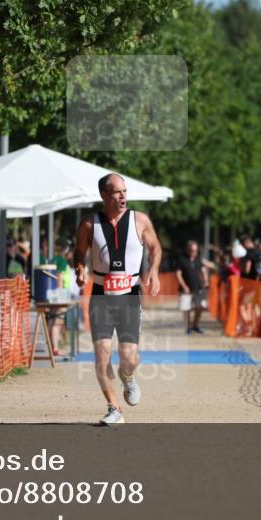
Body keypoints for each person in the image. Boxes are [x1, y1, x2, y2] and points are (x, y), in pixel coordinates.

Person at [74, 173, 161, 426]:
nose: (123, 196)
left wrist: (153, 271)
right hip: (100, 294)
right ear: (104, 195)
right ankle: (113, 407)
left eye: (125, 191)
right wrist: (80, 268)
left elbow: (155, 247)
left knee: (128, 356)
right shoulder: (90, 225)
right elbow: (79, 253)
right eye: (117, 192)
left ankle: (128, 376)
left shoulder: (140, 220)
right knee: (101, 356)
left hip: (129, 295)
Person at [176, 240, 207, 335]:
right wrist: (184, 286)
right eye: (192, 250)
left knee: (200, 307)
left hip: (198, 288)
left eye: (195, 251)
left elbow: (203, 270)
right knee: (187, 309)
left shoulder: (198, 259)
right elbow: (178, 274)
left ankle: (195, 325)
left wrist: (205, 281)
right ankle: (188, 327)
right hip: (186, 289)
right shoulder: (182, 260)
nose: (193, 253)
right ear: (187, 250)